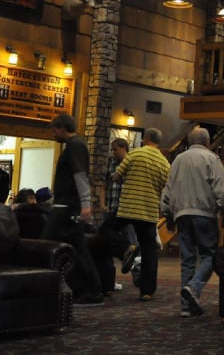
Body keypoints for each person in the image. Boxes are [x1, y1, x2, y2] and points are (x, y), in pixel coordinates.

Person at [161, 126, 224, 318]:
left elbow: (168, 189)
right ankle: (194, 287)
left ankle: (186, 307)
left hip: (181, 214)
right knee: (210, 256)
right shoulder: (211, 158)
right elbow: (222, 192)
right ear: (208, 142)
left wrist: (167, 213)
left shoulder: (178, 160)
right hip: (205, 214)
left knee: (187, 260)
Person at [46, 113, 103, 305]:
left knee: (71, 250)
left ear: (62, 128)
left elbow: (80, 176)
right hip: (66, 205)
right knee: (76, 250)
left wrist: (86, 204)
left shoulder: (75, 146)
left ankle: (91, 291)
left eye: (54, 130)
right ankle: (87, 290)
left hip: (67, 207)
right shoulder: (75, 145)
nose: (53, 134)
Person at [112, 128, 171, 302]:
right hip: (149, 211)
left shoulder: (135, 154)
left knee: (106, 230)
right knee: (149, 251)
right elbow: (166, 187)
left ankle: (126, 248)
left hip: (128, 208)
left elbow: (117, 176)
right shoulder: (164, 162)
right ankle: (147, 291)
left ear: (145, 138)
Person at [100, 137, 139, 277]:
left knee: (131, 240)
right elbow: (104, 185)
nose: (113, 153)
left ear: (123, 148)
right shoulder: (110, 164)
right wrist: (103, 204)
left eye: (115, 150)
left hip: (125, 209)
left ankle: (137, 273)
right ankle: (109, 275)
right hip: (111, 207)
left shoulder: (132, 163)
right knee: (106, 239)